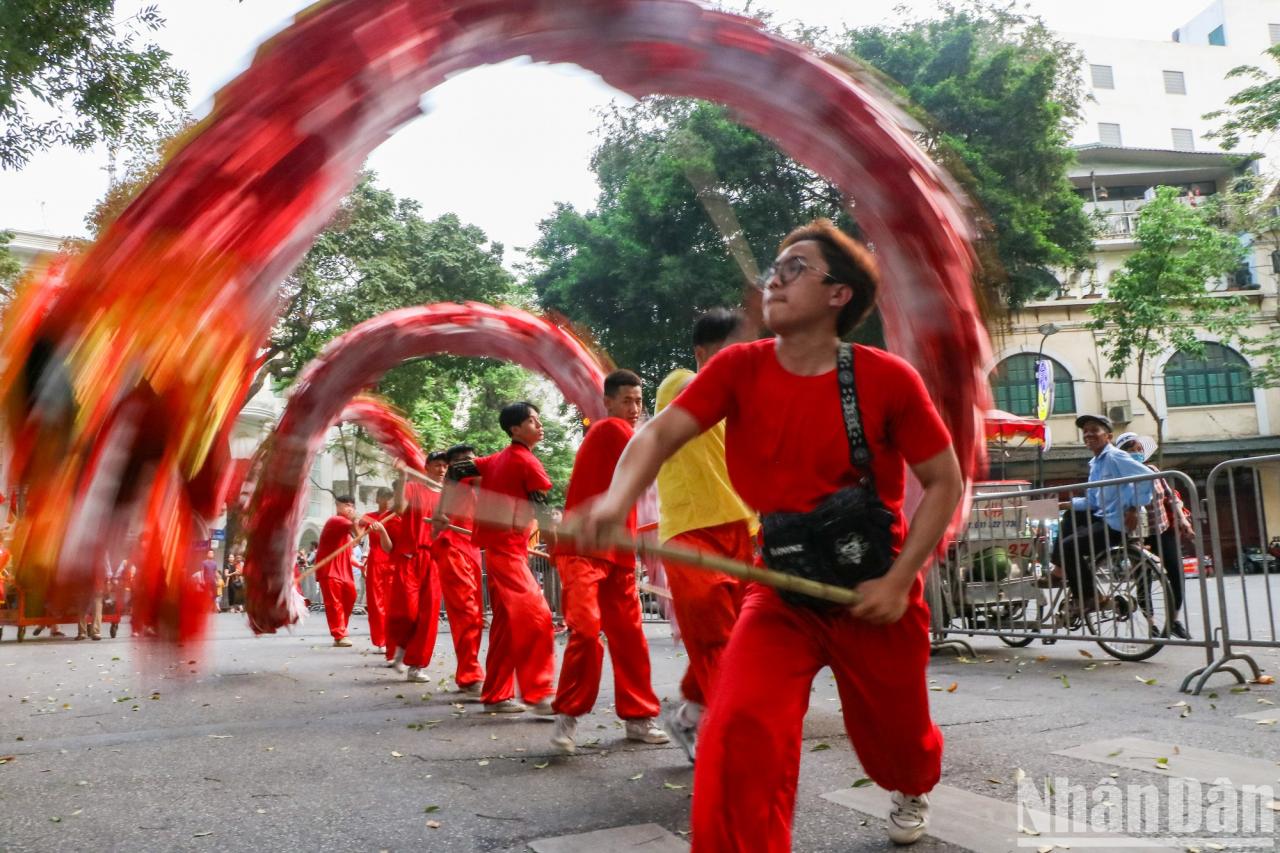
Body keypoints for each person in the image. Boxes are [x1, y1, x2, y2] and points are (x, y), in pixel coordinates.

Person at [575, 219, 963, 849]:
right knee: (740, 727)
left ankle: (910, 784)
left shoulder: (887, 378)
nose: (773, 281)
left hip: (872, 588)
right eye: (772, 269)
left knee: (899, 745)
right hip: (780, 591)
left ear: (839, 295)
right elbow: (657, 434)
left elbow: (943, 481)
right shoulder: (738, 369)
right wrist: (615, 501)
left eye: (794, 269)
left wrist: (899, 579)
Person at [653, 308, 757, 762]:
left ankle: (688, 718)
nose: (739, 362)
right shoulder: (678, 384)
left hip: (743, 531)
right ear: (700, 353)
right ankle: (735, 742)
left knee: (738, 638)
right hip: (690, 534)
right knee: (716, 639)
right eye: (728, 353)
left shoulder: (746, 405)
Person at [549, 370, 668, 753]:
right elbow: (654, 454)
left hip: (617, 552)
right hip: (582, 548)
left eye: (639, 401)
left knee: (630, 637)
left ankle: (639, 717)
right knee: (585, 630)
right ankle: (567, 717)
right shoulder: (610, 430)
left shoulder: (624, 435)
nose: (635, 408)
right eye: (627, 400)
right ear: (609, 403)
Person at [449, 401, 557, 715]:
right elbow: (545, 514)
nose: (540, 425)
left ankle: (496, 694)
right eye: (533, 421)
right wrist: (557, 550)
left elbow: (456, 469)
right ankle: (538, 694)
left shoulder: (494, 460)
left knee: (507, 626)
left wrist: (446, 508)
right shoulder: (526, 462)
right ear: (515, 429)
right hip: (507, 553)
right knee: (538, 617)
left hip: (503, 551)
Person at [1048, 415, 1154, 615]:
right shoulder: (1096, 463)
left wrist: (1133, 508)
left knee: (1068, 546)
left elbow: (1147, 477)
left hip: (1114, 524)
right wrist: (1064, 504)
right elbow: (1093, 502)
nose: (1088, 434)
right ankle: (1060, 570)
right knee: (1070, 516)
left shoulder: (1115, 456)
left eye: (1094, 430)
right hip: (1100, 515)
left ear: (1108, 436)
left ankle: (1091, 597)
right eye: (1085, 431)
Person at [1115, 432, 1194, 639]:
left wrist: (1183, 520)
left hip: (1162, 529)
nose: (1136, 453)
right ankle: (1152, 625)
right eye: (1130, 450)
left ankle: (1174, 620)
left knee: (1176, 574)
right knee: (1143, 580)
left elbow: (1170, 497)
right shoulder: (1120, 476)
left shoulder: (1153, 470)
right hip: (1136, 535)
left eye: (1138, 449)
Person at [430, 444, 487, 696]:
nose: (469, 464)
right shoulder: (455, 483)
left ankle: (468, 674)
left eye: (472, 459)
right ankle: (471, 675)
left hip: (472, 551)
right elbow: (437, 525)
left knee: (474, 617)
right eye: (462, 461)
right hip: (453, 549)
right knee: (466, 613)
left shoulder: (477, 487)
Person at [317, 496, 389, 647]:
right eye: (346, 506)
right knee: (335, 603)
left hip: (344, 572)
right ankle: (339, 635)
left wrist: (361, 565)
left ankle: (341, 628)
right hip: (329, 571)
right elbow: (357, 532)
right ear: (338, 507)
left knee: (351, 596)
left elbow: (349, 552)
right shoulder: (336, 521)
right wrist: (361, 521)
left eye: (352, 506)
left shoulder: (345, 532)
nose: (350, 508)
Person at [361, 487, 397, 653]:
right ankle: (381, 640)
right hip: (376, 561)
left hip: (394, 561)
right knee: (376, 603)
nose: (386, 501)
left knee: (393, 602)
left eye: (389, 498)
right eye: (383, 497)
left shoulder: (396, 516)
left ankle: (394, 638)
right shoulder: (369, 517)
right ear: (377, 499)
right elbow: (357, 535)